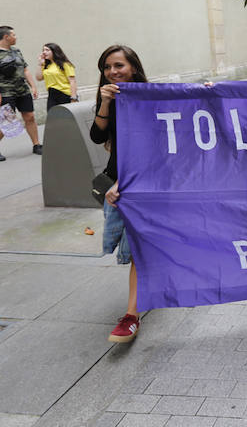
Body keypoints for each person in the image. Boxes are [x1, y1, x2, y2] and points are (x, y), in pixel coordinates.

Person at [89, 44, 149, 343]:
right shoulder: (109, 99)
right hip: (119, 184)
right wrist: (104, 104)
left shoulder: (150, 99)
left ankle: (131, 315)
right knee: (139, 246)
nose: (112, 72)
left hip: (144, 182)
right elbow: (98, 135)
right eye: (107, 67)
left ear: (133, 68)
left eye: (118, 66)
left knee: (139, 247)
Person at [0, 25, 42, 161]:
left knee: (30, 117)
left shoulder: (16, 51)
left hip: (22, 90)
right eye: (14, 35)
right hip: (5, 92)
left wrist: (33, 86)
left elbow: (25, 69)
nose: (16, 37)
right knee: (6, 120)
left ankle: (36, 145)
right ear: (6, 37)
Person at [36, 43, 77, 110]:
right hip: (52, 94)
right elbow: (39, 78)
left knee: (65, 118)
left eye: (47, 50)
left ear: (54, 51)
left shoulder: (65, 64)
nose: (44, 52)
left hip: (64, 94)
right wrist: (40, 64)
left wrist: (73, 98)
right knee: (52, 117)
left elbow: (72, 81)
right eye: (43, 50)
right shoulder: (47, 66)